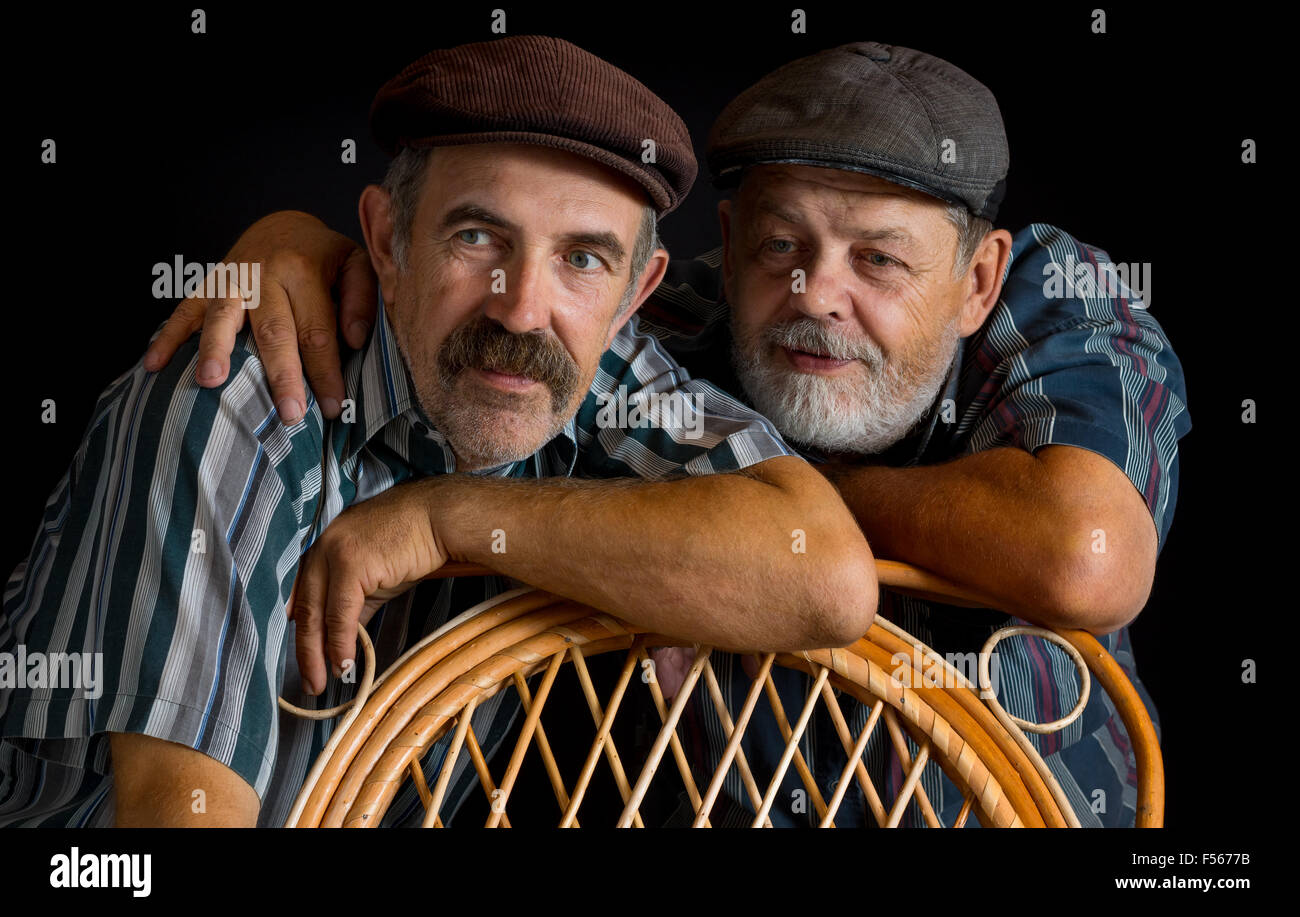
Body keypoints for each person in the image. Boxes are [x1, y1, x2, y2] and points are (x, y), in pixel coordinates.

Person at [139, 42, 1192, 828]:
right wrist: (293, 248)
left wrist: (804, 493)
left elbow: (1082, 556)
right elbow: (467, 301)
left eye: (876, 260)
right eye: (781, 243)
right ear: (727, 247)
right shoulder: (673, 333)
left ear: (975, 279)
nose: (812, 295)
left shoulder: (1056, 301)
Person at [0, 36, 880, 828]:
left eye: (582, 259)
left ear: (634, 295)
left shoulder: (595, 373)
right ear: (387, 240)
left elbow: (827, 578)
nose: (523, 307)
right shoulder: (244, 396)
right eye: (476, 235)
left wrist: (444, 517)